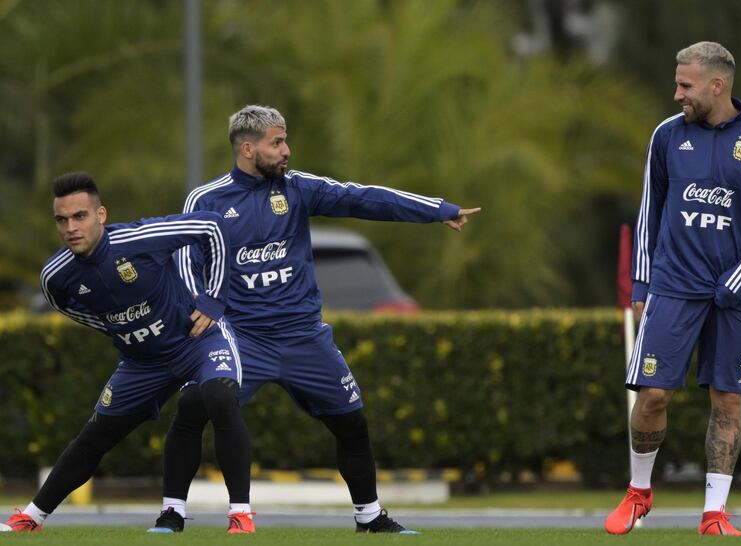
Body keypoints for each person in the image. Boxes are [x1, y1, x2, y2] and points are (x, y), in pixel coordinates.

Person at [151, 105, 480, 534]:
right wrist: (202, 305)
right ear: (248, 148)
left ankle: (370, 517)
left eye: (285, 140)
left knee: (351, 421)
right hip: (241, 339)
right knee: (192, 407)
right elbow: (182, 256)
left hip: (305, 337)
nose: (287, 150)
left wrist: (436, 208)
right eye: (277, 142)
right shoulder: (208, 199)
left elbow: (363, 197)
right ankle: (172, 513)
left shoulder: (298, 188)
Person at [605, 42, 741, 536]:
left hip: (737, 296)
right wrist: (642, 281)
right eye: (676, 83)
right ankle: (639, 492)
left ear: (718, 85)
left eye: (685, 85)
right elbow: (649, 209)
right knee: (652, 395)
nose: (676, 95)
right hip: (673, 288)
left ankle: (714, 515)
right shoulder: (668, 136)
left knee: (728, 401)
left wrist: (738, 281)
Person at [0, 173, 255, 534]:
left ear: (100, 215)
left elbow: (212, 227)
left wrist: (214, 300)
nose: (71, 227)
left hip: (196, 341)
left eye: (80, 216)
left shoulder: (139, 239)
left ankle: (240, 514)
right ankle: (32, 518)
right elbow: (71, 308)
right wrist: (120, 329)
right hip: (142, 362)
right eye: (62, 220)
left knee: (217, 395)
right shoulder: (55, 275)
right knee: (97, 435)